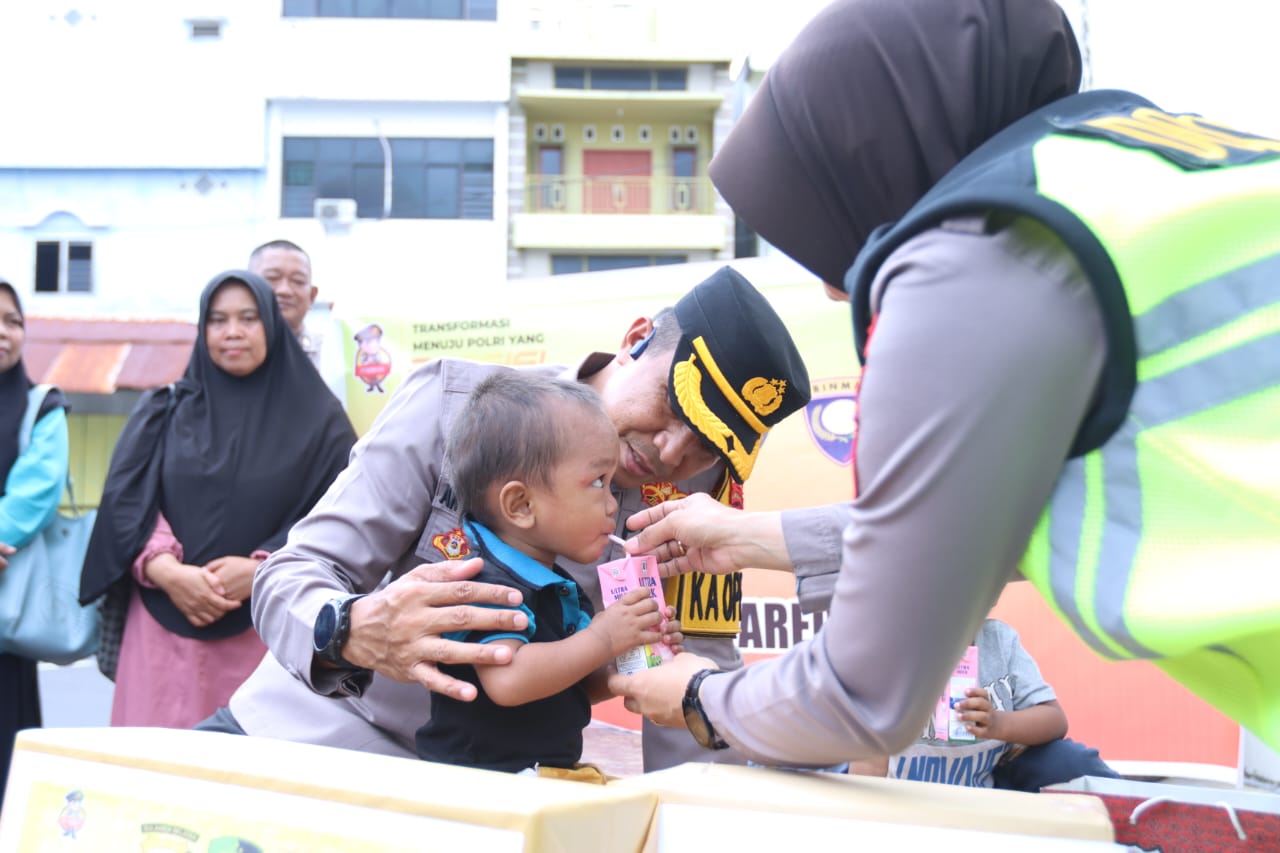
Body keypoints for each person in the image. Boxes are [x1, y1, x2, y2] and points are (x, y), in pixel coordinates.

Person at [609, 0, 1280, 765]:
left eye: (826, 224)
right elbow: (940, 521)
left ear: (871, 157)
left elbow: (863, 695)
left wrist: (699, 696)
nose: (838, 288)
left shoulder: (973, 261)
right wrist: (740, 537)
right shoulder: (1125, 160)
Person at [199, 265, 814, 772]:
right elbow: (297, 572)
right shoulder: (455, 410)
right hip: (314, 743)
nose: (673, 452)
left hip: (499, 797)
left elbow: (687, 684)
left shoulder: (698, 504)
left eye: (708, 443)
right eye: (673, 406)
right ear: (636, 339)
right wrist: (352, 630)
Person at [79, 270, 356, 729]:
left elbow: (343, 512)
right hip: (162, 630)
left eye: (248, 318)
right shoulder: (165, 410)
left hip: (267, 628)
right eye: (218, 319)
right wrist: (164, 569)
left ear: (271, 325)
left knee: (248, 779)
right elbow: (127, 501)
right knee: (156, 774)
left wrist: (265, 568)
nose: (233, 332)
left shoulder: (320, 421)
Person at [414, 372, 681, 775]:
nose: (613, 504)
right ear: (521, 505)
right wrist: (604, 636)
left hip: (540, 778)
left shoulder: (557, 584)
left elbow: (563, 686)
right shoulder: (483, 581)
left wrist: (622, 660)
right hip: (478, 789)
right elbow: (510, 680)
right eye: (597, 482)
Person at [848, 619, 1118, 791]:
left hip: (986, 799)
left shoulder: (999, 641)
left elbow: (1054, 720)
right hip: (908, 808)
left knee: (1068, 760)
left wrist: (999, 723)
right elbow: (868, 770)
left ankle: (1141, 823)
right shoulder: (886, 653)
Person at [0, 279, 70, 806]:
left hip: (6, 610)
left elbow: (36, 494)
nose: (3, 332)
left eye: (13, 321)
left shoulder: (41, 406)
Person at [248, 239, 346, 402]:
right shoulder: (228, 351)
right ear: (246, 287)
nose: (285, 290)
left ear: (312, 296)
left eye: (298, 281)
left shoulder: (333, 355)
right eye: (272, 278)